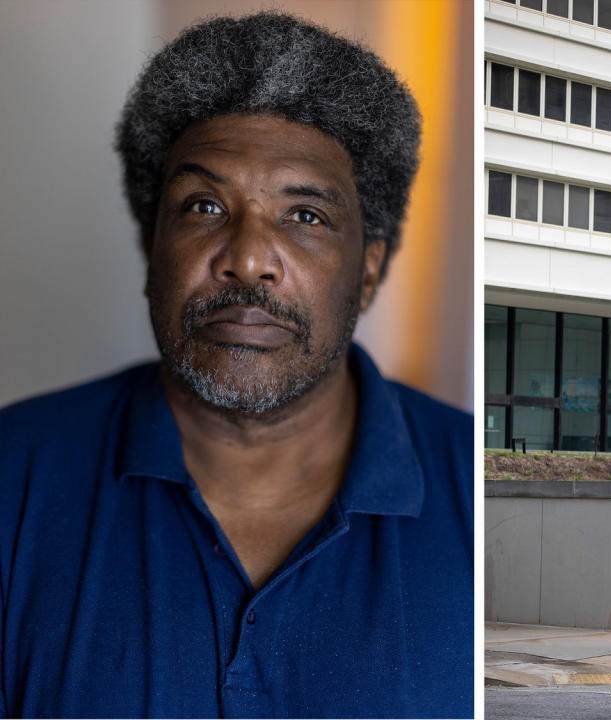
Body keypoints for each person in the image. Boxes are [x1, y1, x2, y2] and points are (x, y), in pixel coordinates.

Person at [0, 13, 471, 719]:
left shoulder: (470, 488)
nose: (247, 257)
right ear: (153, 248)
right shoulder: (13, 476)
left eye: (305, 216)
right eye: (204, 205)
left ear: (368, 271)